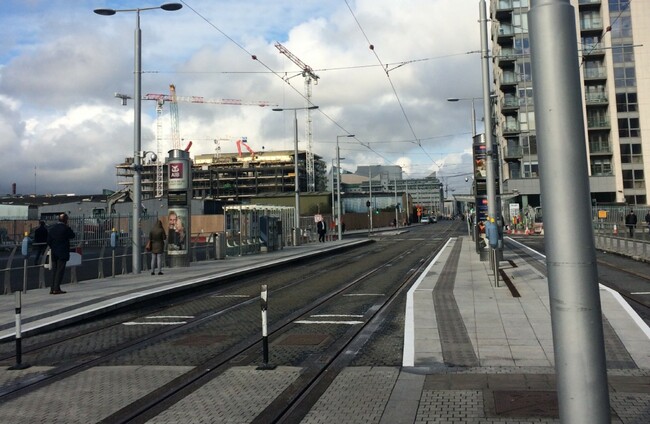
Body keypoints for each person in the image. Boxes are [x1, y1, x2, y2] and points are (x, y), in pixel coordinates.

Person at [47, 213, 75, 295]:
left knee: (54, 270)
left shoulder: (53, 228)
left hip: (54, 252)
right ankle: (56, 288)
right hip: (62, 251)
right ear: (66, 220)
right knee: (60, 270)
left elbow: (48, 241)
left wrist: (53, 247)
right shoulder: (66, 228)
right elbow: (72, 235)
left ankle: (52, 288)